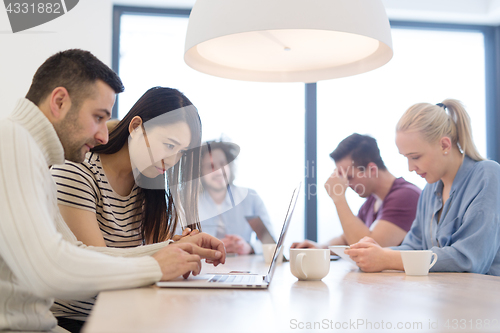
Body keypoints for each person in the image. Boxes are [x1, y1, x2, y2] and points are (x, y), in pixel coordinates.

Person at [0, 49, 225, 333]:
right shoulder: (11, 141)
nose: (103, 135)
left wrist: (172, 250)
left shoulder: (34, 157)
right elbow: (50, 269)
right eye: (98, 117)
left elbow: (76, 253)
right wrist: (156, 266)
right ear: (59, 102)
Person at [49, 86, 204, 323]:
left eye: (181, 153)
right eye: (169, 145)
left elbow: (151, 267)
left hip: (127, 310)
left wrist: (180, 248)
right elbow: (99, 271)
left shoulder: (148, 186)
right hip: (79, 319)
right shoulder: (76, 171)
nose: (172, 161)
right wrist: (165, 251)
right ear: (136, 127)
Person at [345, 99, 500, 276]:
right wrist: (374, 252)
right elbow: (414, 246)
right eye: (406, 157)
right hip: (444, 296)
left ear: (444, 145)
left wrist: (388, 258)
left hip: (484, 298)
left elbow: (470, 259)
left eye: (415, 157)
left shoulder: (487, 175)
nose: (410, 167)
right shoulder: (429, 191)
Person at [292, 134, 421, 250]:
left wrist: (339, 198)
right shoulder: (372, 202)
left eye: (350, 177)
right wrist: (321, 248)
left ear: (372, 169)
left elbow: (367, 250)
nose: (346, 185)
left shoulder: (406, 196)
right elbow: (347, 238)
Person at [198, 140, 273, 254]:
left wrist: (249, 248)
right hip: (204, 267)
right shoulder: (189, 204)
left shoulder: (250, 198)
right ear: (201, 173)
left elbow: (270, 243)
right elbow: (177, 243)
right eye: (210, 166)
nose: (218, 171)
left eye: (223, 164)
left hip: (244, 267)